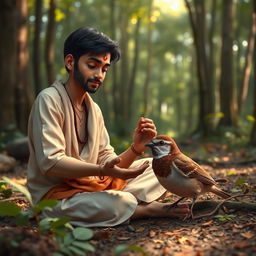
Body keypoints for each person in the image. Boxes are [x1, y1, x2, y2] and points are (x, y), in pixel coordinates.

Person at [27, 27, 189, 227]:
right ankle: (144, 209)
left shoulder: (93, 110)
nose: (99, 75)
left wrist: (136, 148)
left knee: (157, 169)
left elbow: (109, 162)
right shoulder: (48, 100)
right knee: (122, 201)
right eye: (92, 65)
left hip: (93, 188)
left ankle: (115, 203)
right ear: (70, 62)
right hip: (57, 198)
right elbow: (51, 163)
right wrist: (102, 170)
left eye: (104, 69)